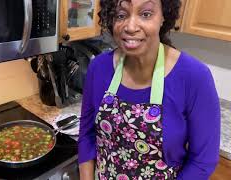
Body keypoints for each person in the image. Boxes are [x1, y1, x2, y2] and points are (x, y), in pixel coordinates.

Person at [78, 0, 221, 179]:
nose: (130, 26)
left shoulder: (194, 77)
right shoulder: (98, 68)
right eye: (121, 15)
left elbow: (203, 161)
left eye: (146, 14)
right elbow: (87, 135)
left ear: (163, 17)